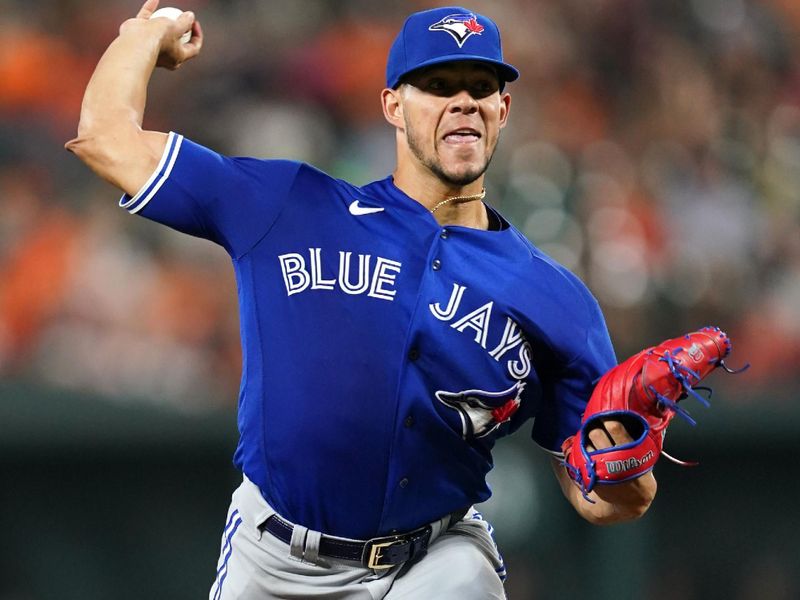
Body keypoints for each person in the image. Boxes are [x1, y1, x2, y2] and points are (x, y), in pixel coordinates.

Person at [67, 2, 656, 598]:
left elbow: (605, 501)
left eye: (482, 87)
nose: (463, 102)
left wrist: (626, 472)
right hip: (276, 557)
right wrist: (145, 34)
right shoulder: (291, 206)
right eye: (437, 85)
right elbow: (104, 137)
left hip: (435, 559)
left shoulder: (557, 300)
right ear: (392, 107)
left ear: (503, 110)